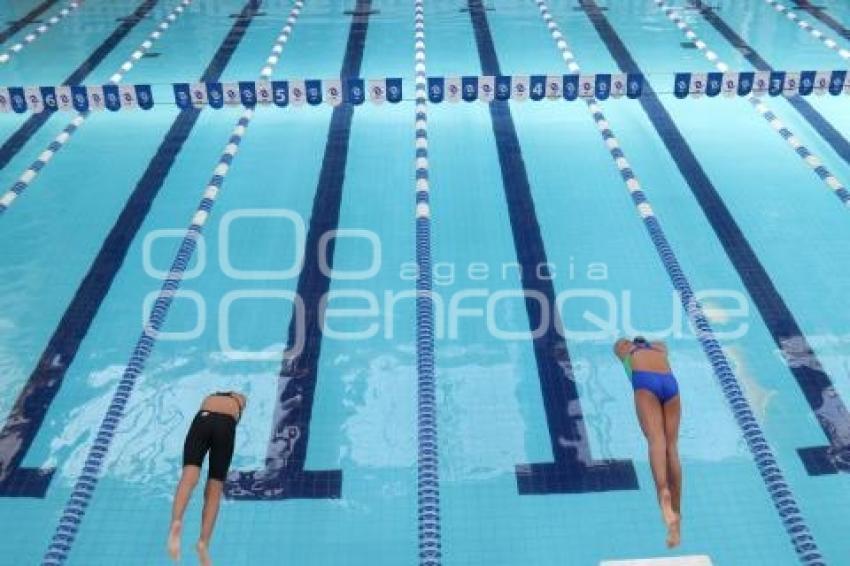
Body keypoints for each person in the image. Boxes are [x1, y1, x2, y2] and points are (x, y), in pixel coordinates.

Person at [614, 336, 682, 548]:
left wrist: (631, 345)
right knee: (672, 448)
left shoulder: (625, 349)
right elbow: (662, 343)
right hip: (670, 384)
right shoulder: (661, 349)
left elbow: (618, 345)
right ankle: (677, 519)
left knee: (656, 441)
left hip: (645, 383)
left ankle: (662, 491)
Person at [167, 391, 247, 565]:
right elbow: (236, 417)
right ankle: (203, 542)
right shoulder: (240, 399)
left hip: (202, 419)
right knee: (215, 487)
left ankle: (176, 521)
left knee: (189, 476)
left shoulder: (209, 398)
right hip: (226, 425)